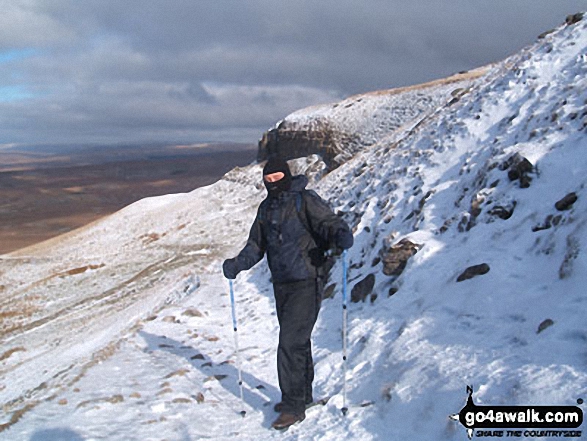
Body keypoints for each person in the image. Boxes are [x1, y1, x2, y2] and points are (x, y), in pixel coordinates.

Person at [222, 156, 353, 430]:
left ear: (287, 176)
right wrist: (237, 264)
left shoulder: (304, 200)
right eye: (267, 181)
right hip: (282, 284)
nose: (273, 184)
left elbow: (328, 222)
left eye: (277, 179)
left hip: (307, 280)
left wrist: (340, 233)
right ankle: (302, 395)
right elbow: (256, 246)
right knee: (298, 343)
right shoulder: (266, 208)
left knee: (289, 344)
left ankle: (293, 406)